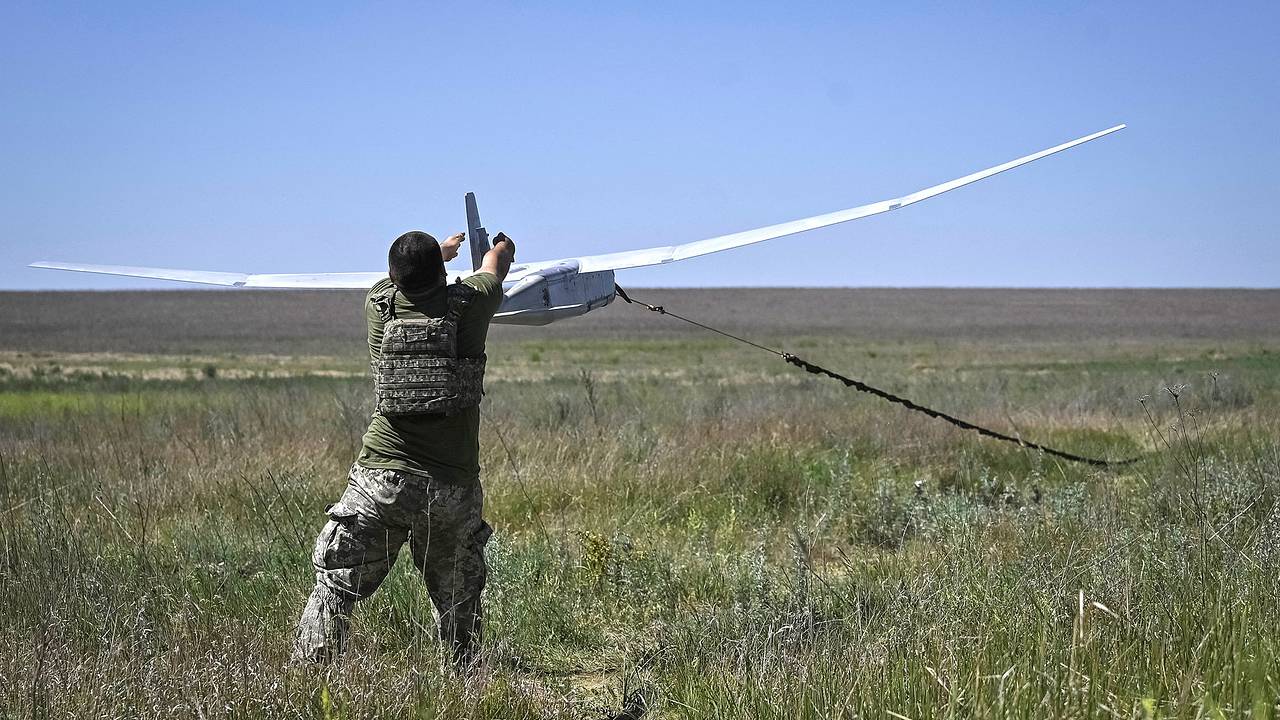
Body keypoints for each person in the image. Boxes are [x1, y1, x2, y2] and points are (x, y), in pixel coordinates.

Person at [293, 229, 515, 668]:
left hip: (379, 479)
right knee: (458, 597)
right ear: (442, 271)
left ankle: (308, 681)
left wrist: (438, 255)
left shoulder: (378, 304)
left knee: (335, 587)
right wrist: (501, 248)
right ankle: (464, 684)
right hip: (450, 483)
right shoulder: (471, 301)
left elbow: (398, 277)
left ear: (395, 276)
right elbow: (495, 267)